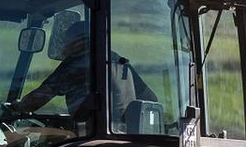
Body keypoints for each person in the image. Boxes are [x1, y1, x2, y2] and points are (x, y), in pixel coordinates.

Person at [13, 21, 157, 126]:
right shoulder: (117, 60)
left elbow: (41, 96)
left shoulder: (77, 62)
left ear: (72, 41)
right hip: (120, 132)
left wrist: (17, 107)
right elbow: (150, 97)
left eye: (65, 42)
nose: (64, 47)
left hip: (91, 131)